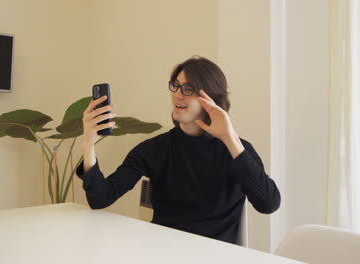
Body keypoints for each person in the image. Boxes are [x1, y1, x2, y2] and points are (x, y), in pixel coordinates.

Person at [77, 56, 281, 244]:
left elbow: (269, 204)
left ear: (211, 98)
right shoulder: (154, 149)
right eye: (176, 86)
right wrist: (88, 143)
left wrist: (229, 138)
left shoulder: (236, 149)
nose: (177, 95)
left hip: (217, 256)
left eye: (188, 88)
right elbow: (101, 198)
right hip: (163, 252)